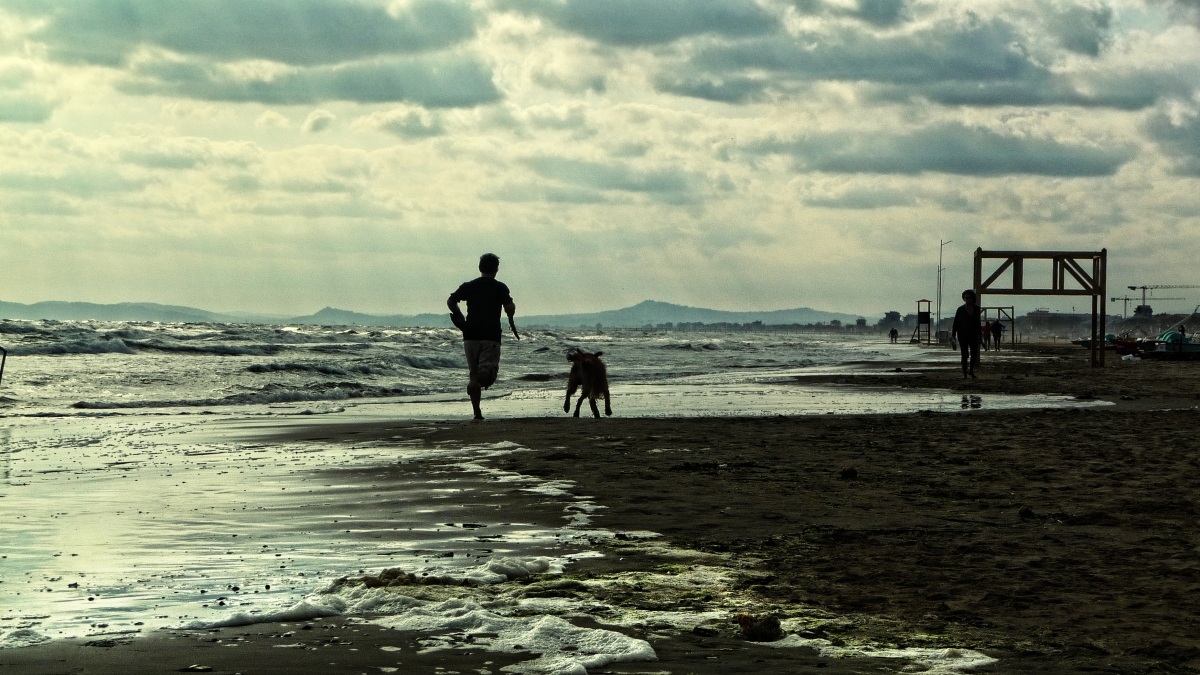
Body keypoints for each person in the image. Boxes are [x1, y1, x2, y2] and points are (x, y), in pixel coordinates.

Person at [447, 253, 517, 420]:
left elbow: (451, 301)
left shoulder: (469, 286)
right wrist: (511, 311)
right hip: (490, 336)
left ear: (480, 268)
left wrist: (459, 315)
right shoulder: (500, 287)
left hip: (469, 335)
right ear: (496, 269)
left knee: (474, 372)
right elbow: (509, 308)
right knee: (487, 375)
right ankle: (474, 385)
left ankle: (477, 412)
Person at [950, 289, 982, 379]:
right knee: (964, 354)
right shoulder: (960, 309)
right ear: (964, 298)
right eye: (966, 297)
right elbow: (956, 323)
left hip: (974, 334)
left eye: (969, 297)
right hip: (962, 335)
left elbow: (978, 323)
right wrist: (953, 335)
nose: (967, 299)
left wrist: (980, 334)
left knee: (974, 354)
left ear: (972, 298)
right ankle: (964, 374)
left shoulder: (976, 309)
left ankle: (971, 370)